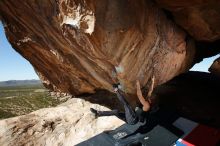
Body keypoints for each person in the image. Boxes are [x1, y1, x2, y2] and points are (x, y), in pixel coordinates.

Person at [90, 79, 154, 125]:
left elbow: (139, 95)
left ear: (150, 103)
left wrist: (138, 85)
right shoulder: (148, 100)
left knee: (126, 104)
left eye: (151, 99)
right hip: (130, 120)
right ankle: (98, 113)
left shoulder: (147, 105)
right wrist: (153, 81)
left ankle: (116, 89)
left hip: (133, 119)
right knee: (116, 112)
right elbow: (150, 91)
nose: (149, 97)